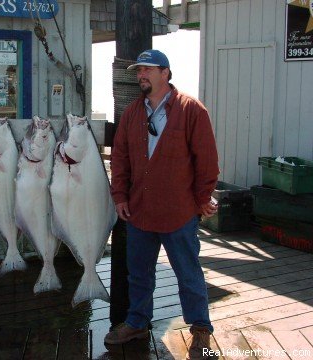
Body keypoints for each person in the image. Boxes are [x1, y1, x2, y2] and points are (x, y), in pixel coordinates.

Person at [105, 49, 220, 360]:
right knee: (139, 274)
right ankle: (137, 323)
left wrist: (201, 200)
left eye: (148, 69)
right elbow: (120, 159)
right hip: (139, 211)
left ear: (165, 73)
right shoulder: (131, 114)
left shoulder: (192, 110)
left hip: (179, 212)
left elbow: (207, 162)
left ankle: (200, 329)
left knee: (189, 273)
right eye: (139, 70)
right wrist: (120, 197)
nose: (142, 75)